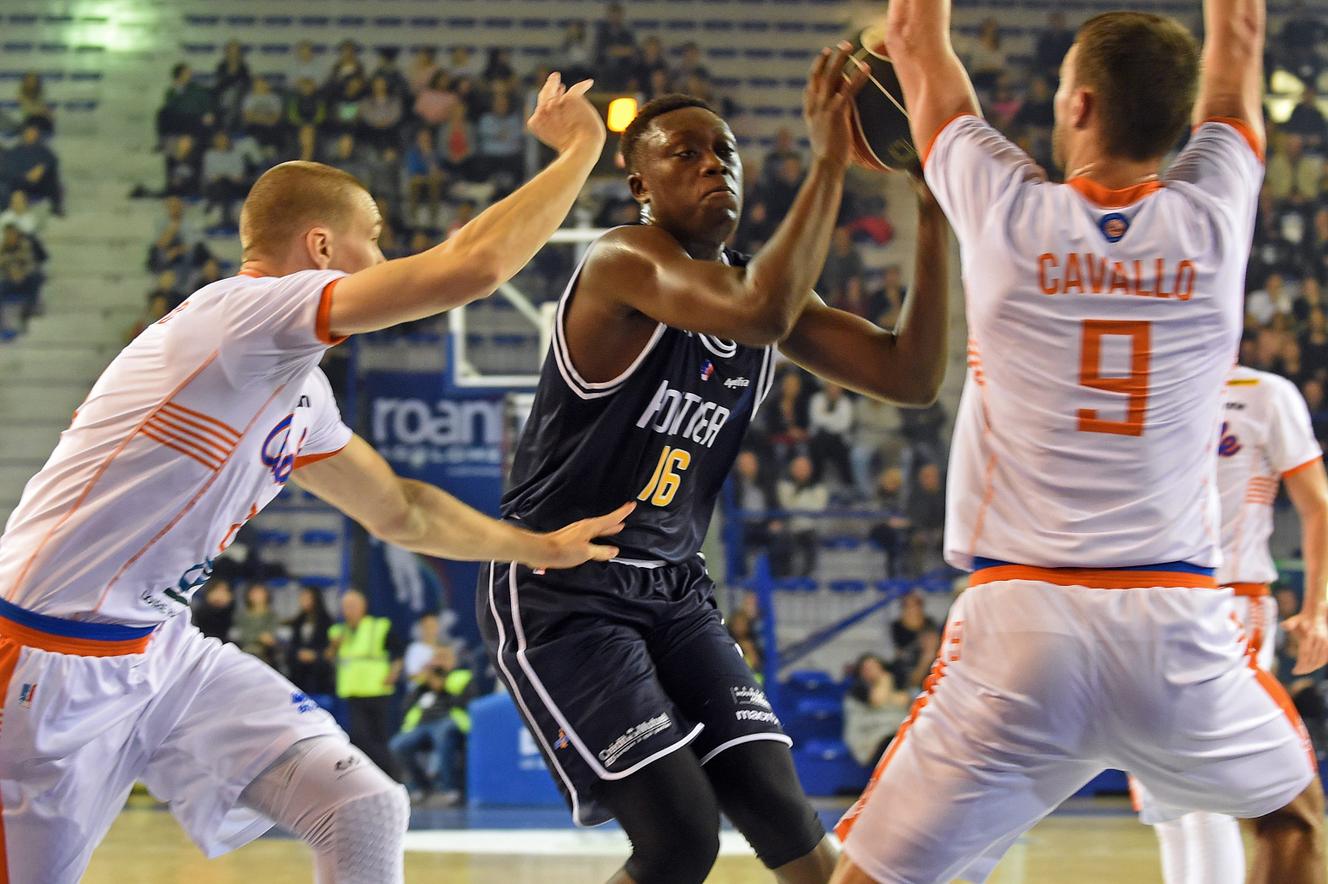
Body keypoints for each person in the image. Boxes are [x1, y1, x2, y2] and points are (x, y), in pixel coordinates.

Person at [0, 72, 633, 884]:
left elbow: (401, 510)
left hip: (160, 650)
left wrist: (539, 545)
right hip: (48, 659)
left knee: (362, 805)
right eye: (374, 236)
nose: (385, 254)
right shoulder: (242, 316)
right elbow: (469, 268)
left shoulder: (298, 388)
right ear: (322, 251)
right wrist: (582, 147)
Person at [830, 3, 1327, 884]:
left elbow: (913, 37)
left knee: (869, 878)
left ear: (1081, 106)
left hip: (1021, 626)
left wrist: (901, 36)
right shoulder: (1215, 213)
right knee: (1294, 822)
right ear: (1179, 121)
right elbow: (1239, 37)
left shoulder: (1008, 211)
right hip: (1173, 622)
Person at [480, 41, 951, 883]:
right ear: (640, 186)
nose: (711, 166)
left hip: (673, 585)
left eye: (723, 152)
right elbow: (761, 312)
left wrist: (931, 204)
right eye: (684, 154)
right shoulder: (624, 260)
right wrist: (831, 161)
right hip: (565, 587)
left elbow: (911, 377)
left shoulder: (756, 287)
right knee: (680, 840)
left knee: (782, 809)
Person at [1131, 365, 1328, 884]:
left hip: (1229, 602)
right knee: (1166, 799)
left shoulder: (1265, 394)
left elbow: (1318, 503)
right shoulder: (1148, 383)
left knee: (1207, 791)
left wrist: (1318, 609)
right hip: (1144, 604)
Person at [328, 589, 406, 780]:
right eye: (346, 606)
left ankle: (391, 776)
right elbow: (329, 658)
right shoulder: (337, 632)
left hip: (377, 689)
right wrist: (334, 646)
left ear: (363, 607)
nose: (349, 610)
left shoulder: (378, 627)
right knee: (359, 736)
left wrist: (393, 673)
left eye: (353, 606)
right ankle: (370, 776)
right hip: (353, 691)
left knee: (379, 737)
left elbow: (398, 651)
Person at [388, 647, 475, 804]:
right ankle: (422, 787)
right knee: (398, 744)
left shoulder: (462, 677)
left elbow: (467, 703)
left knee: (442, 734)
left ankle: (450, 789)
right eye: (436, 658)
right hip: (423, 725)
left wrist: (443, 685)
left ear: (452, 661)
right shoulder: (424, 683)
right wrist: (423, 683)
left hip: (451, 721)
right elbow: (406, 706)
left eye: (443, 658)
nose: (438, 662)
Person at [842, 654, 911, 768]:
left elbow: (903, 700)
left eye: (875, 667)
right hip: (872, 741)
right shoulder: (858, 693)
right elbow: (878, 700)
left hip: (899, 735)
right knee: (892, 741)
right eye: (867, 668)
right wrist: (885, 680)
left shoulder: (896, 689)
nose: (872, 671)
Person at [285, 585, 335, 701]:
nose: (303, 601)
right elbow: (292, 645)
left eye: (307, 598)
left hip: (319, 674)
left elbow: (329, 648)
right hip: (299, 673)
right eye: (302, 598)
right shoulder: (297, 621)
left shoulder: (327, 621)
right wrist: (298, 653)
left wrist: (315, 655)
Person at [232, 582, 279, 665]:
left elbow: (272, 634)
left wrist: (267, 638)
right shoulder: (243, 615)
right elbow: (243, 634)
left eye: (260, 592)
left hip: (266, 651)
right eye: (254, 592)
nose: (257, 595)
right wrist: (259, 637)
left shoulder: (272, 615)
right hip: (246, 649)